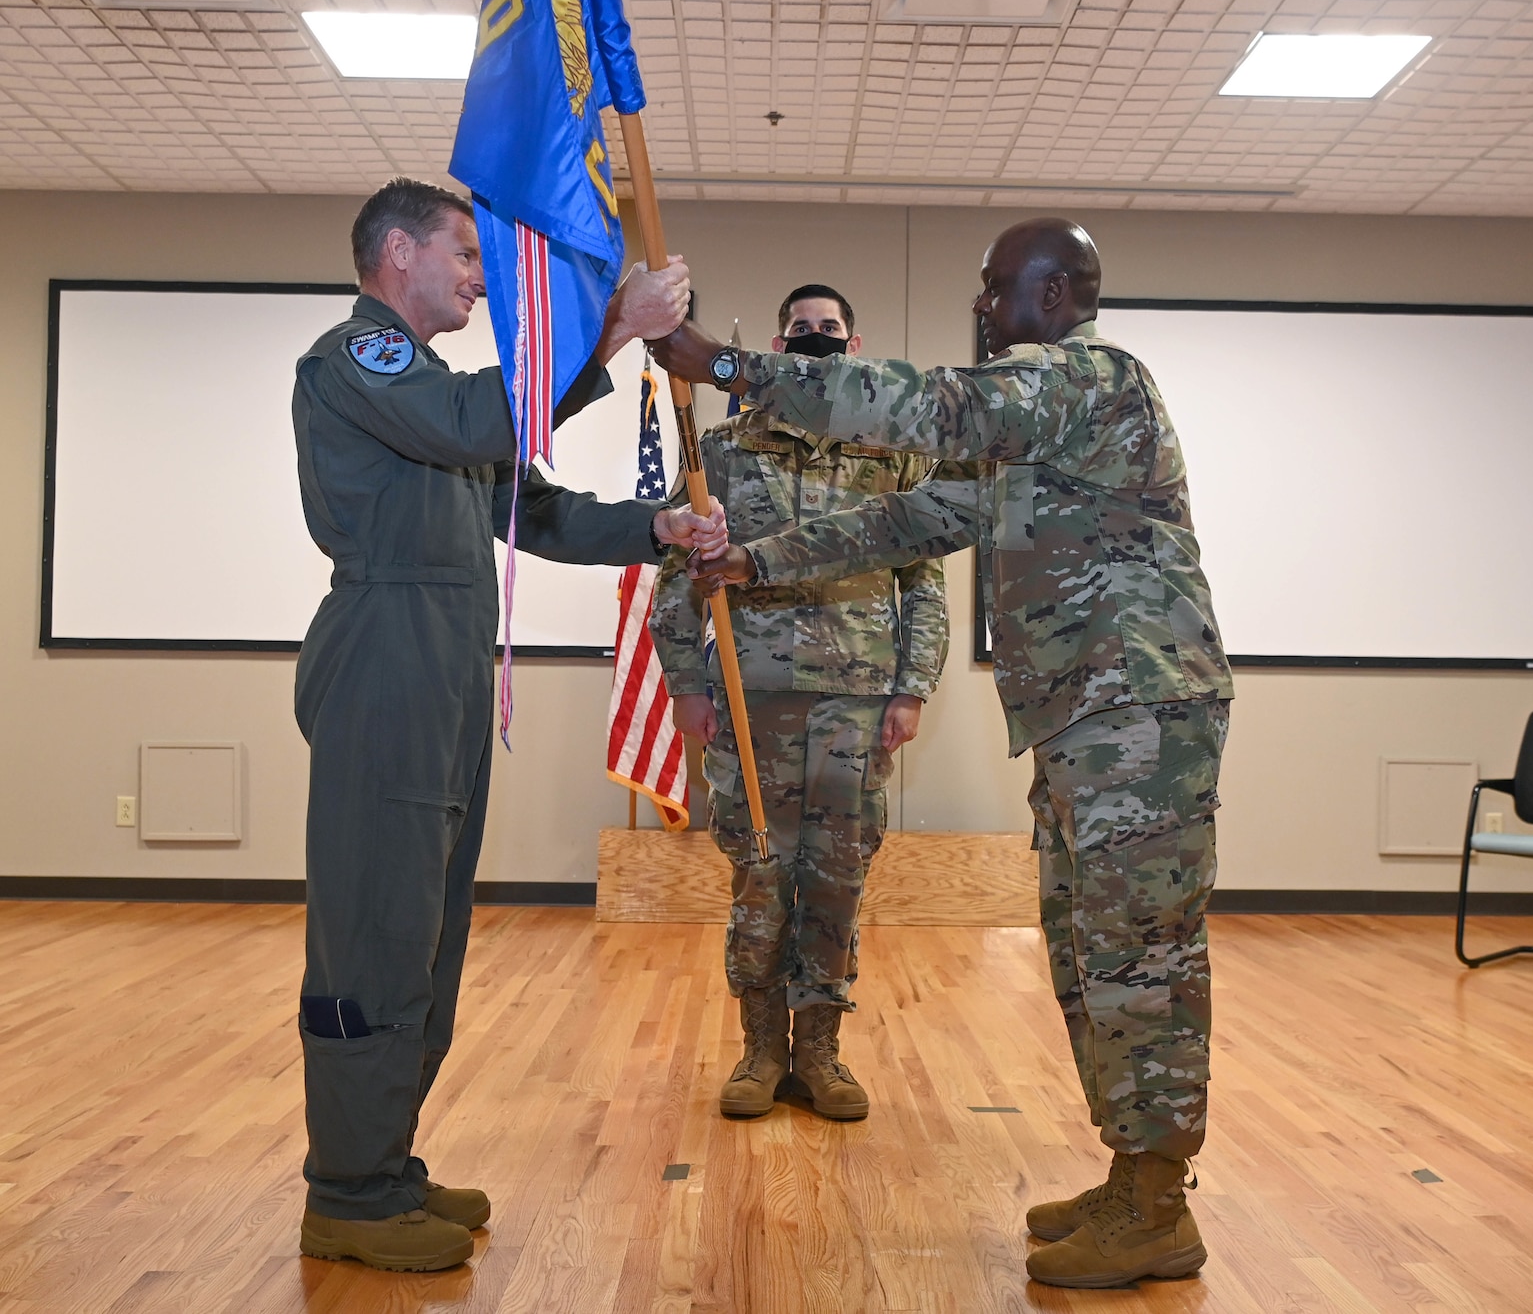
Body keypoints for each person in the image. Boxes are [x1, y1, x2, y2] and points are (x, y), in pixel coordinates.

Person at [654, 218, 1233, 1290]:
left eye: (996, 287)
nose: (981, 304)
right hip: (1084, 717)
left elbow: (932, 408)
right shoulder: (1029, 428)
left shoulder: (1090, 379)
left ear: (1055, 293)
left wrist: (725, 365)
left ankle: (1156, 1197)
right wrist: (753, 555)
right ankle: (1134, 1177)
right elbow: (903, 521)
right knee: (1087, 944)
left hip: (1136, 710)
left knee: (1137, 953)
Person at [290, 177, 706, 1272]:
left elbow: (538, 507)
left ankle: (384, 1160)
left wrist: (656, 527)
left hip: (443, 667)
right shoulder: (357, 360)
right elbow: (486, 418)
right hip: (387, 658)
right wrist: (611, 328)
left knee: (425, 931)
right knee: (378, 927)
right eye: (463, 256)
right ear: (395, 258)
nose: (480, 277)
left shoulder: (432, 390)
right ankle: (349, 1191)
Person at [651, 283, 948, 1121]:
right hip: (753, 702)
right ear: (776, 348)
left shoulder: (890, 455)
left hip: (857, 706)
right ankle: (758, 1049)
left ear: (853, 347)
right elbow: (679, 575)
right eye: (799, 330)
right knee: (759, 875)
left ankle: (820, 1051)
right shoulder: (723, 449)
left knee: (836, 880)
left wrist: (912, 687)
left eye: (828, 330)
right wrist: (684, 686)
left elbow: (924, 581)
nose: (814, 339)